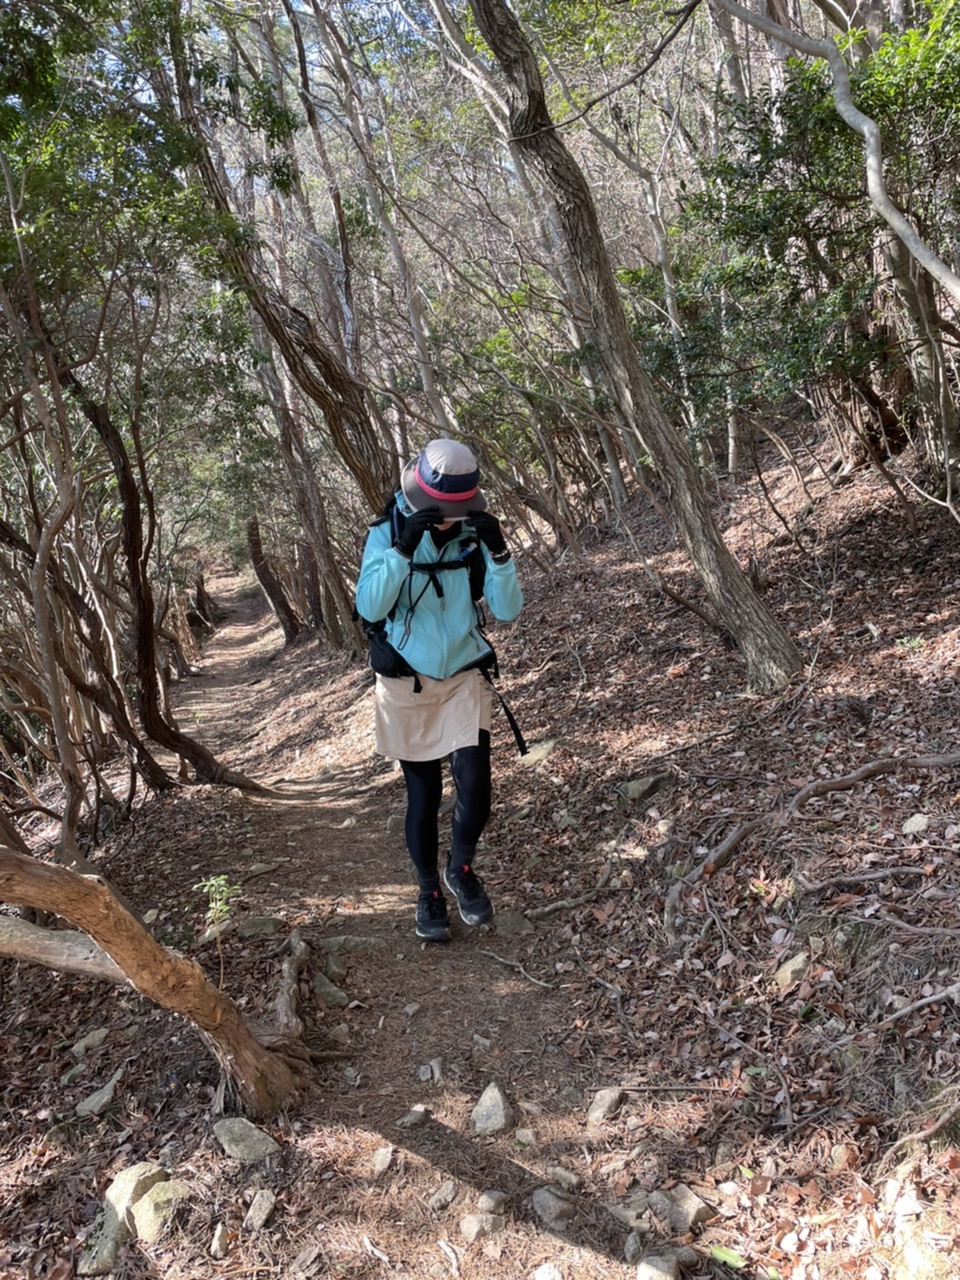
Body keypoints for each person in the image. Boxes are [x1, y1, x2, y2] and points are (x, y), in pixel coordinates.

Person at [355, 438, 523, 942]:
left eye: (459, 508)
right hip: (406, 681)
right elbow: (370, 606)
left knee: (476, 788)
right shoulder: (386, 534)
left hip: (462, 677)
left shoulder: (472, 538)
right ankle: (428, 891)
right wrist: (404, 548)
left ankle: (461, 871)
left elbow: (508, 610)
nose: (451, 517)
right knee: (423, 795)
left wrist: (499, 554)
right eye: (443, 508)